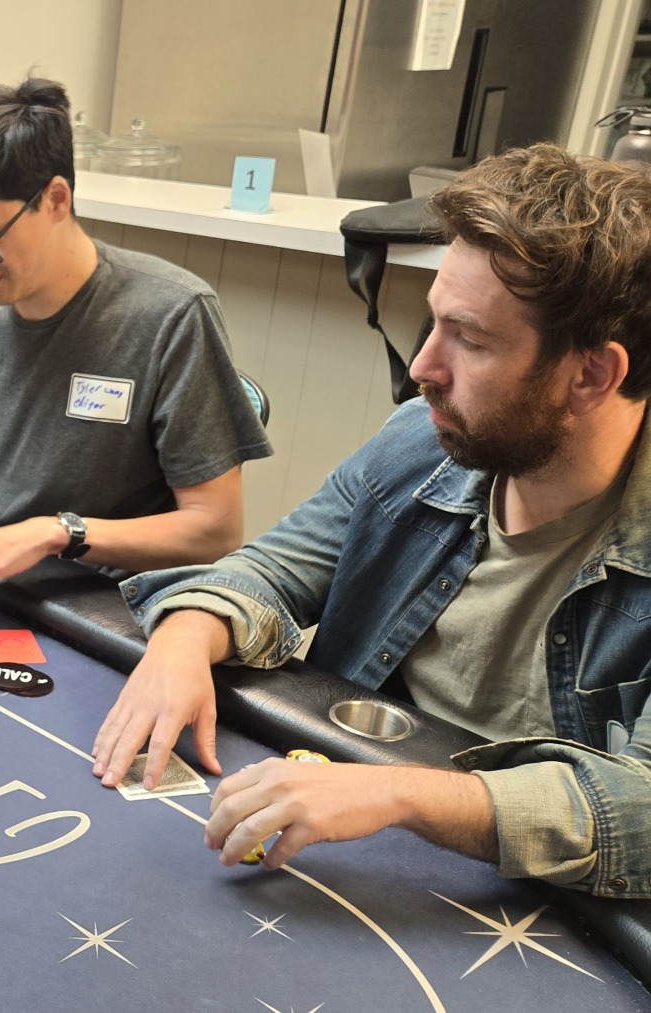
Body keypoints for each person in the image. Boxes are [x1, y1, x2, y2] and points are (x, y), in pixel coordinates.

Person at [92, 144, 651, 896]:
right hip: (354, 841)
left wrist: (395, 790)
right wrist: (185, 637)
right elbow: (271, 569)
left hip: (535, 903)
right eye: (432, 323)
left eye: (470, 339)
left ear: (593, 374)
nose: (423, 367)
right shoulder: (418, 441)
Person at [0, 79, 271, 609]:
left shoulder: (172, 314)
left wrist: (56, 533)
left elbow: (215, 530)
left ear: (56, 199)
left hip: (98, 598)